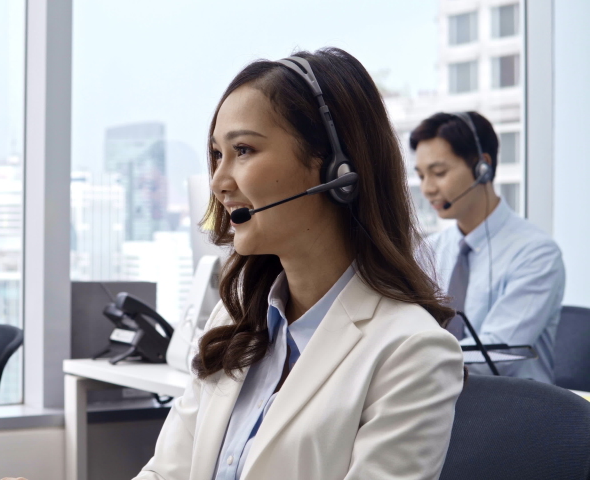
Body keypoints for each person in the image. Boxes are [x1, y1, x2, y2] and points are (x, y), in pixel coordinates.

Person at [134, 48, 464, 480]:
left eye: (243, 150)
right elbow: (166, 472)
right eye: (217, 154)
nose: (218, 181)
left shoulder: (411, 351)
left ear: (336, 169)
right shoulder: (233, 319)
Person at [411, 111, 565, 383]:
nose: (427, 188)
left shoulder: (537, 253)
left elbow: (496, 355)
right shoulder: (429, 251)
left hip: (513, 404)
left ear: (483, 167)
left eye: (439, 173)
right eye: (422, 176)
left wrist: (412, 362)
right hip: (437, 398)